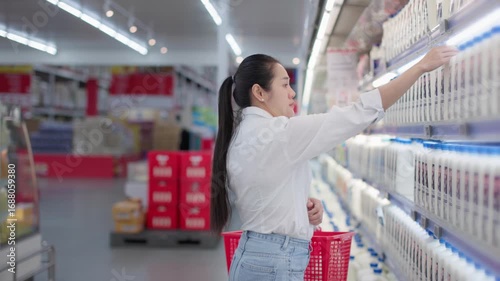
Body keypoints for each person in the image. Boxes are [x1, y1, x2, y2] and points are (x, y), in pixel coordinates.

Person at [210, 46, 458, 281]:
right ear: (260, 92)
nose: (292, 93)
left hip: (257, 254)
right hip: (275, 261)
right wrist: (419, 68)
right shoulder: (277, 133)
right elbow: (356, 114)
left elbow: (262, 192)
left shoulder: (244, 133)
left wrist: (298, 207)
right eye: (285, 84)